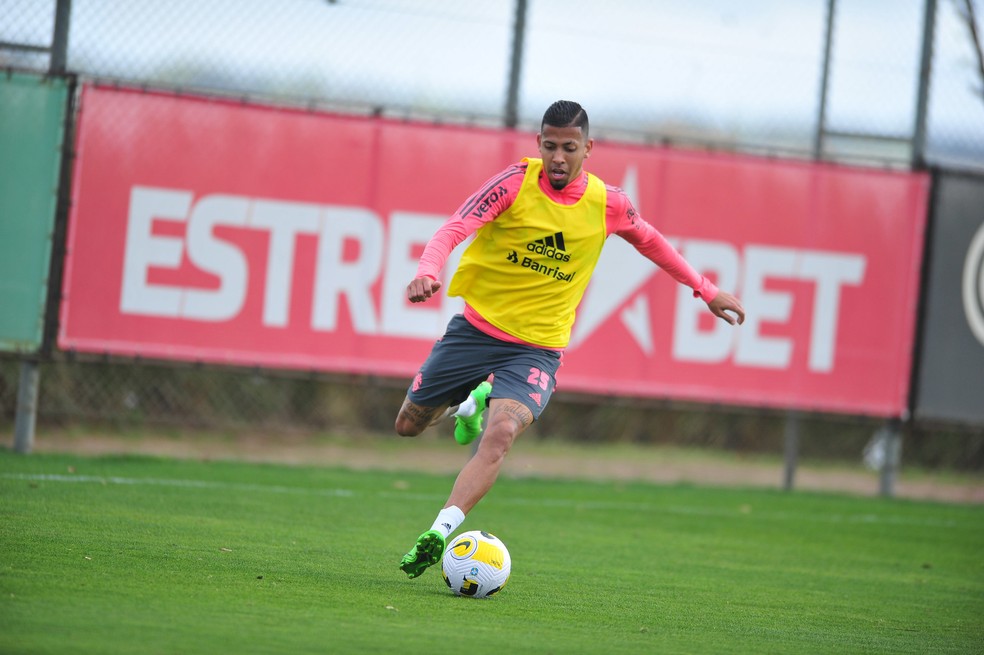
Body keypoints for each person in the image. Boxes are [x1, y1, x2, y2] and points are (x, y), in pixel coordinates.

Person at [396, 100, 745, 579]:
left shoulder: (608, 204)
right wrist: (426, 270)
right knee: (408, 425)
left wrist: (705, 289)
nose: (558, 157)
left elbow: (653, 242)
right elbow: (454, 227)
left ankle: (439, 531)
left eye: (569, 148)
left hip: (537, 348)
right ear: (538, 144)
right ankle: (471, 402)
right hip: (475, 332)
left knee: (501, 436)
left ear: (589, 149)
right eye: (549, 146)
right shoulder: (514, 184)